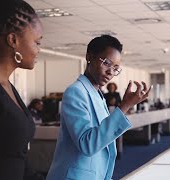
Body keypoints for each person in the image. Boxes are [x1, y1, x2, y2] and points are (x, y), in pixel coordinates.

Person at [46, 35, 152, 180]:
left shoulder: (98, 94)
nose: (111, 72)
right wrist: (124, 106)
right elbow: (87, 144)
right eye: (107, 63)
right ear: (89, 57)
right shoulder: (76, 91)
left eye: (115, 68)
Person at [0, 0, 44, 180]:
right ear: (13, 40)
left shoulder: (5, 85)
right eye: (37, 42)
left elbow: (15, 156)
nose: (38, 50)